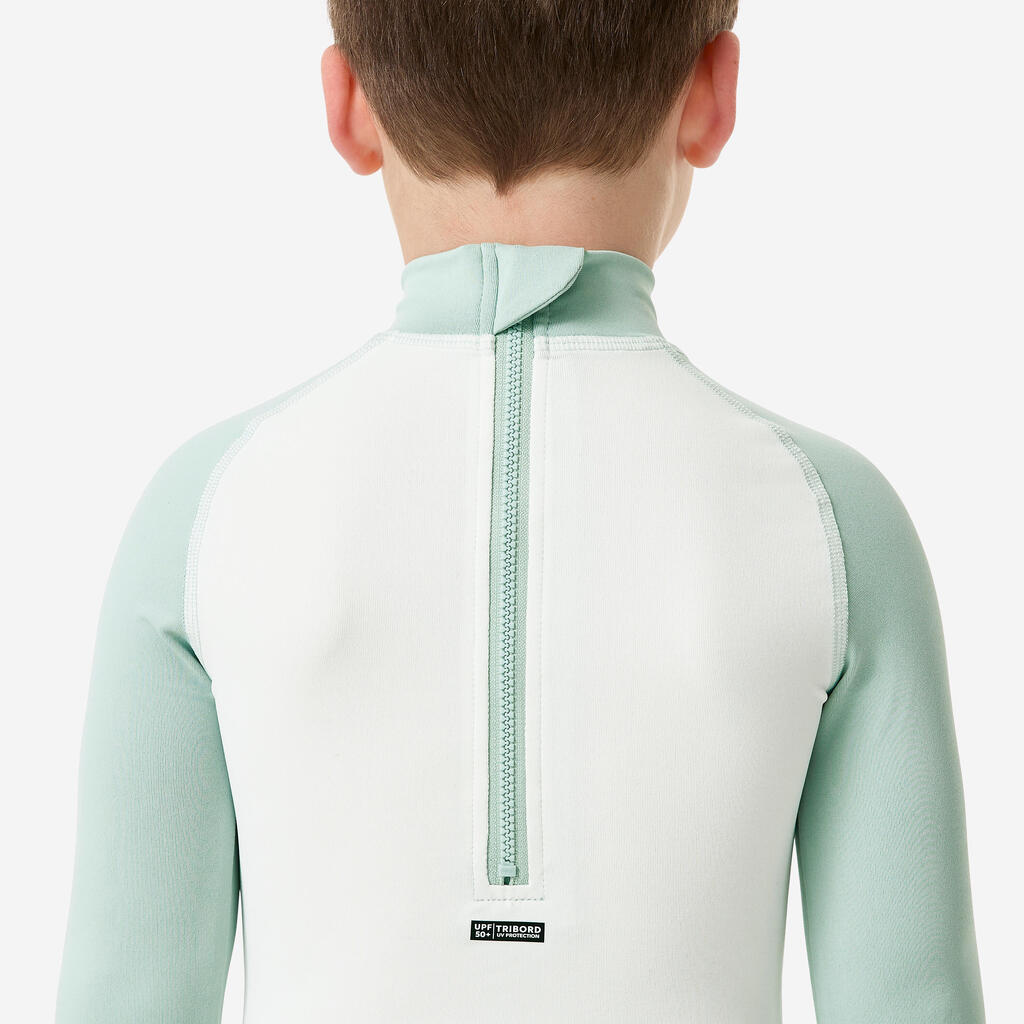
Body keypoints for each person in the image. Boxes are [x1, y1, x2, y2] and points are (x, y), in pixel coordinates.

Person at [55, 2, 986, 1021]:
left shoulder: (206, 511)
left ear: (347, 106)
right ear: (714, 95)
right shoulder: (836, 524)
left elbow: (123, 999)